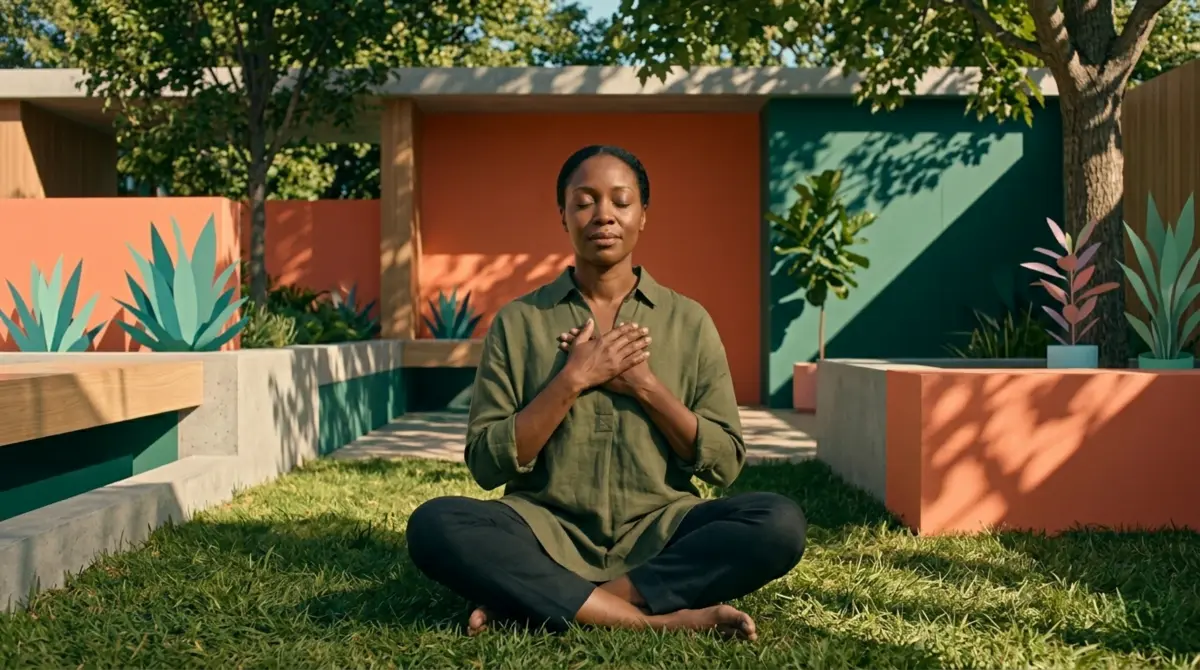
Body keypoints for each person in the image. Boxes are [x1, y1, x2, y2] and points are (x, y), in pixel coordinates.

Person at [406, 145, 807, 640]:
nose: (604, 216)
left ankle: (554, 603)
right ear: (563, 216)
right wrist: (574, 378)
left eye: (621, 201)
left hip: (662, 528)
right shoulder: (519, 321)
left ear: (643, 216)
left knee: (778, 522)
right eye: (585, 201)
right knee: (435, 524)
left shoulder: (689, 320)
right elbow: (487, 465)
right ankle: (654, 622)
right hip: (542, 530)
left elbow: (725, 461)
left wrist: (643, 384)